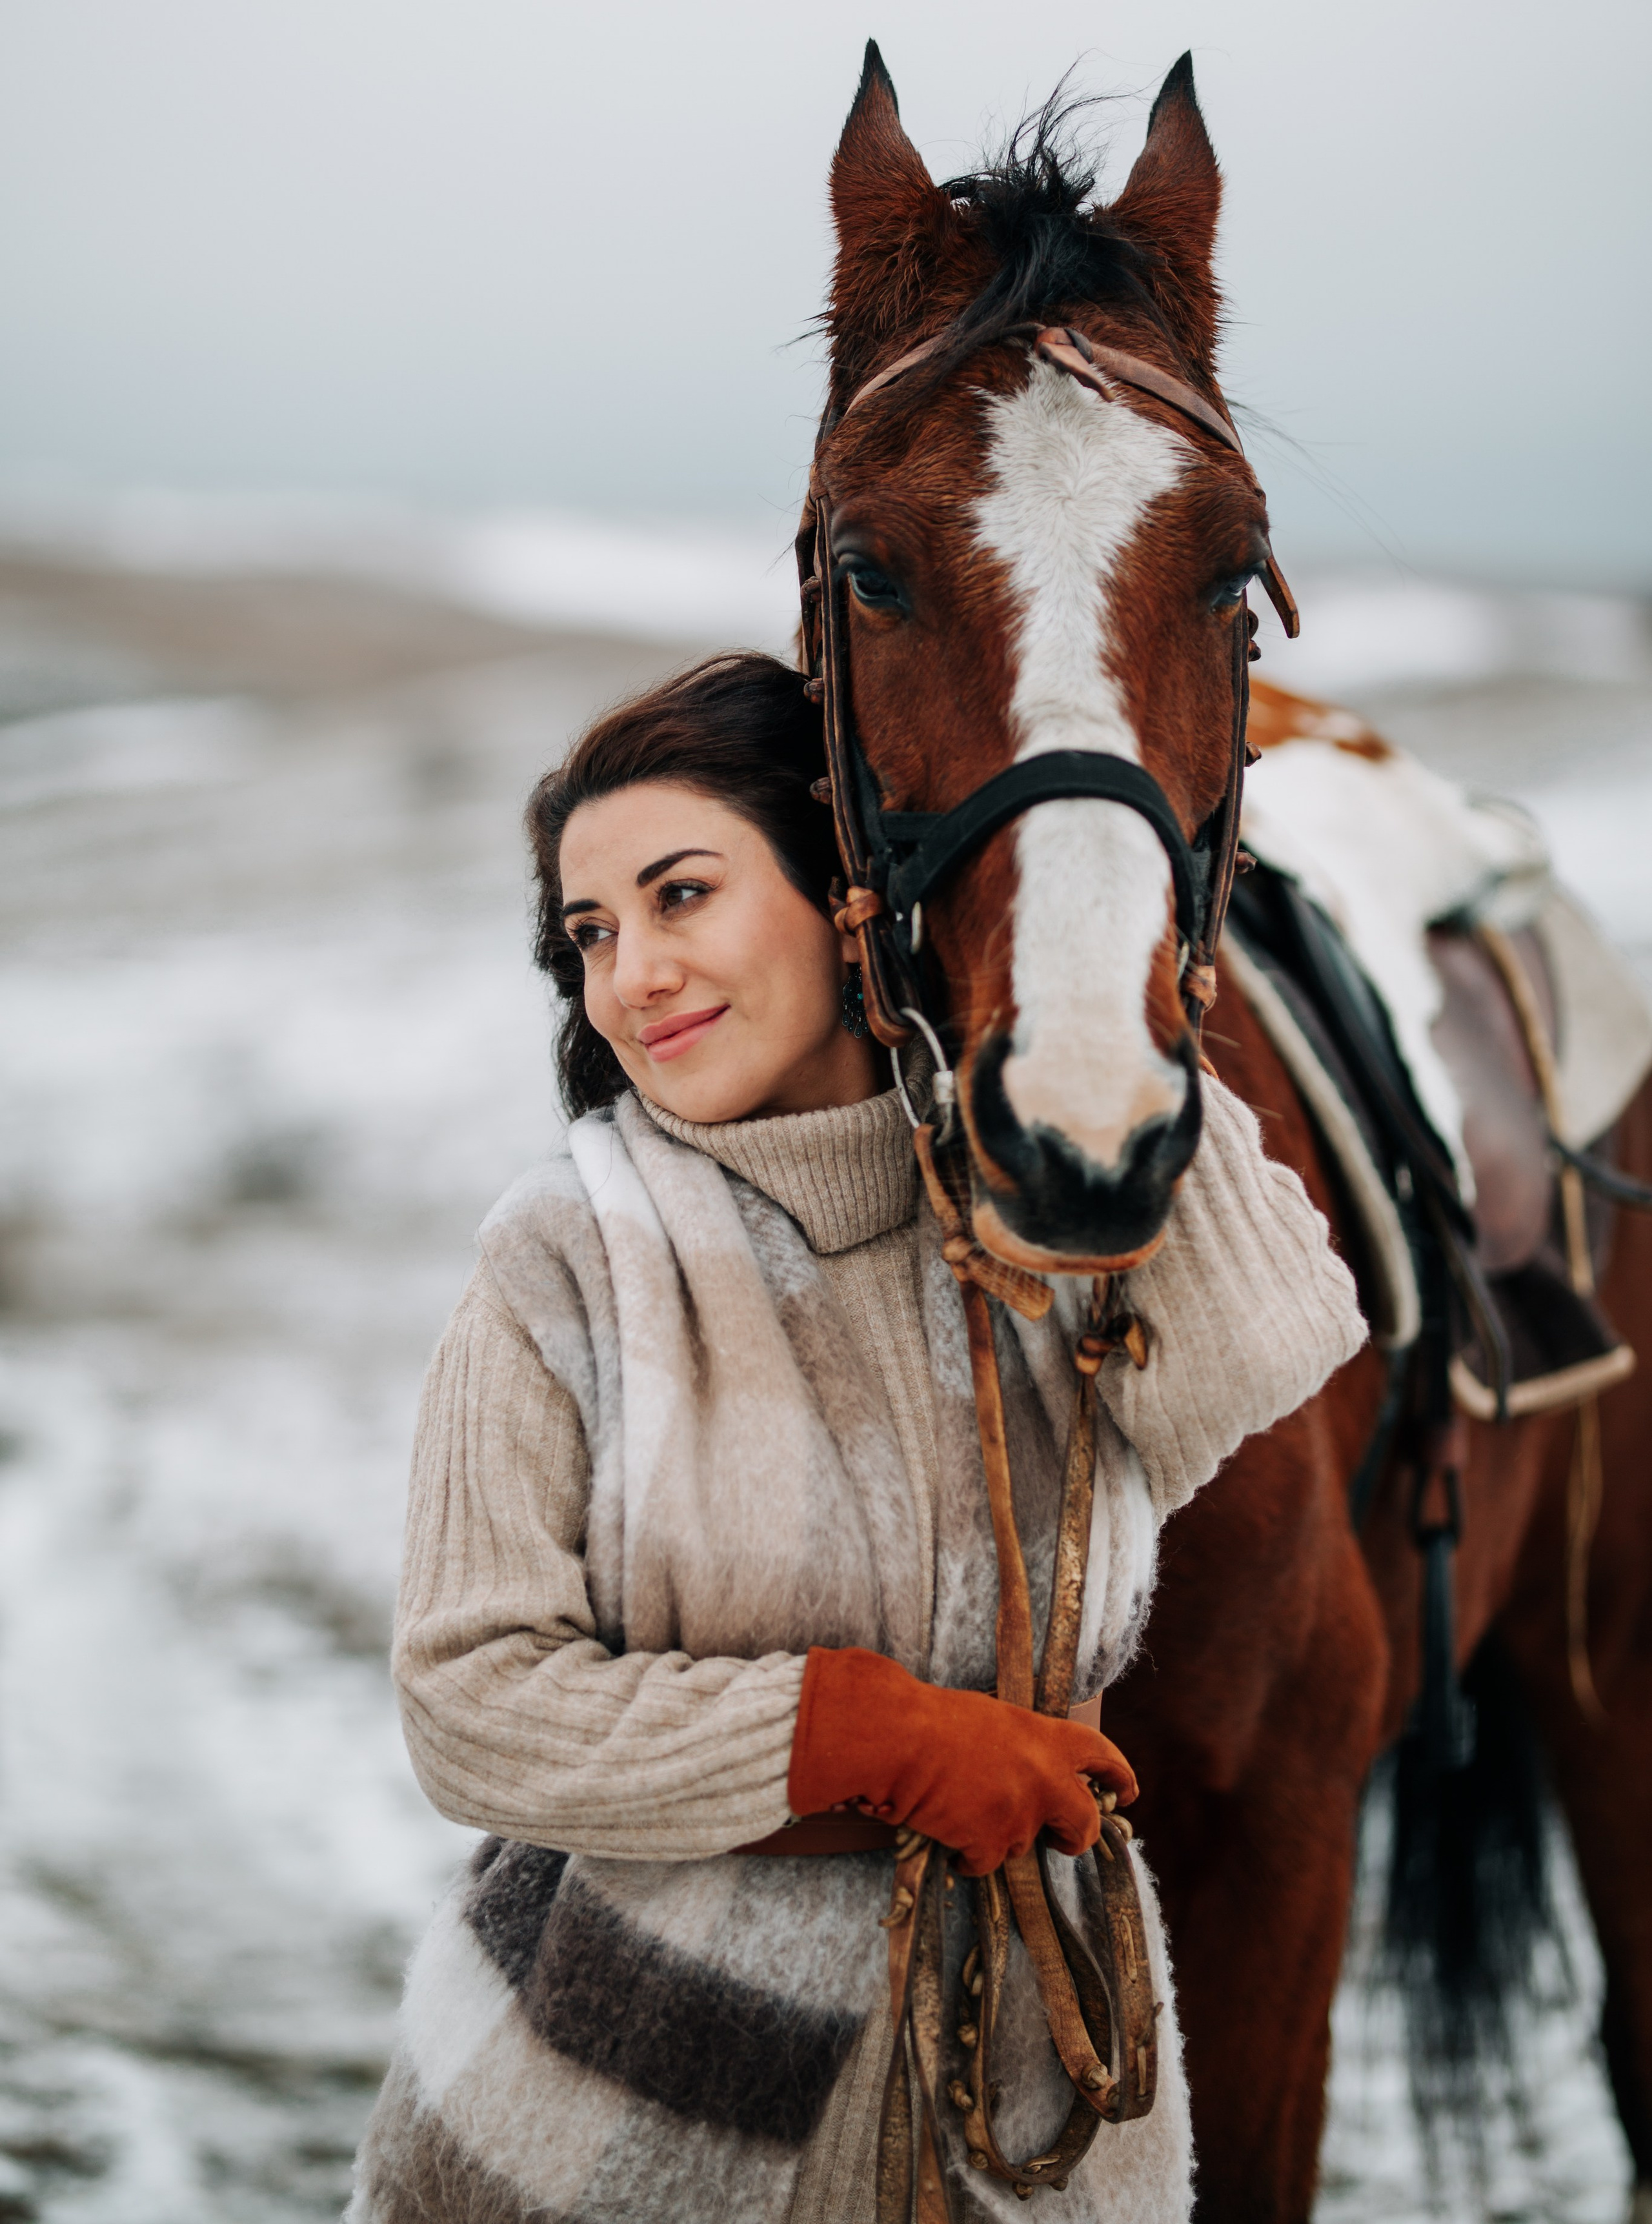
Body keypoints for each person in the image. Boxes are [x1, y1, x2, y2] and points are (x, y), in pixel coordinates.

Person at [348, 651, 1365, 2224]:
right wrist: (864, 1742)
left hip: (1034, 2113)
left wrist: (1107, 967)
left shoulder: (1027, 1226)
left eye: (681, 896)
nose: (630, 975)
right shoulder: (565, 1257)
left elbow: (1265, 1347)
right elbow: (468, 1706)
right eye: (591, 932)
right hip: (615, 2128)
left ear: (845, 902)